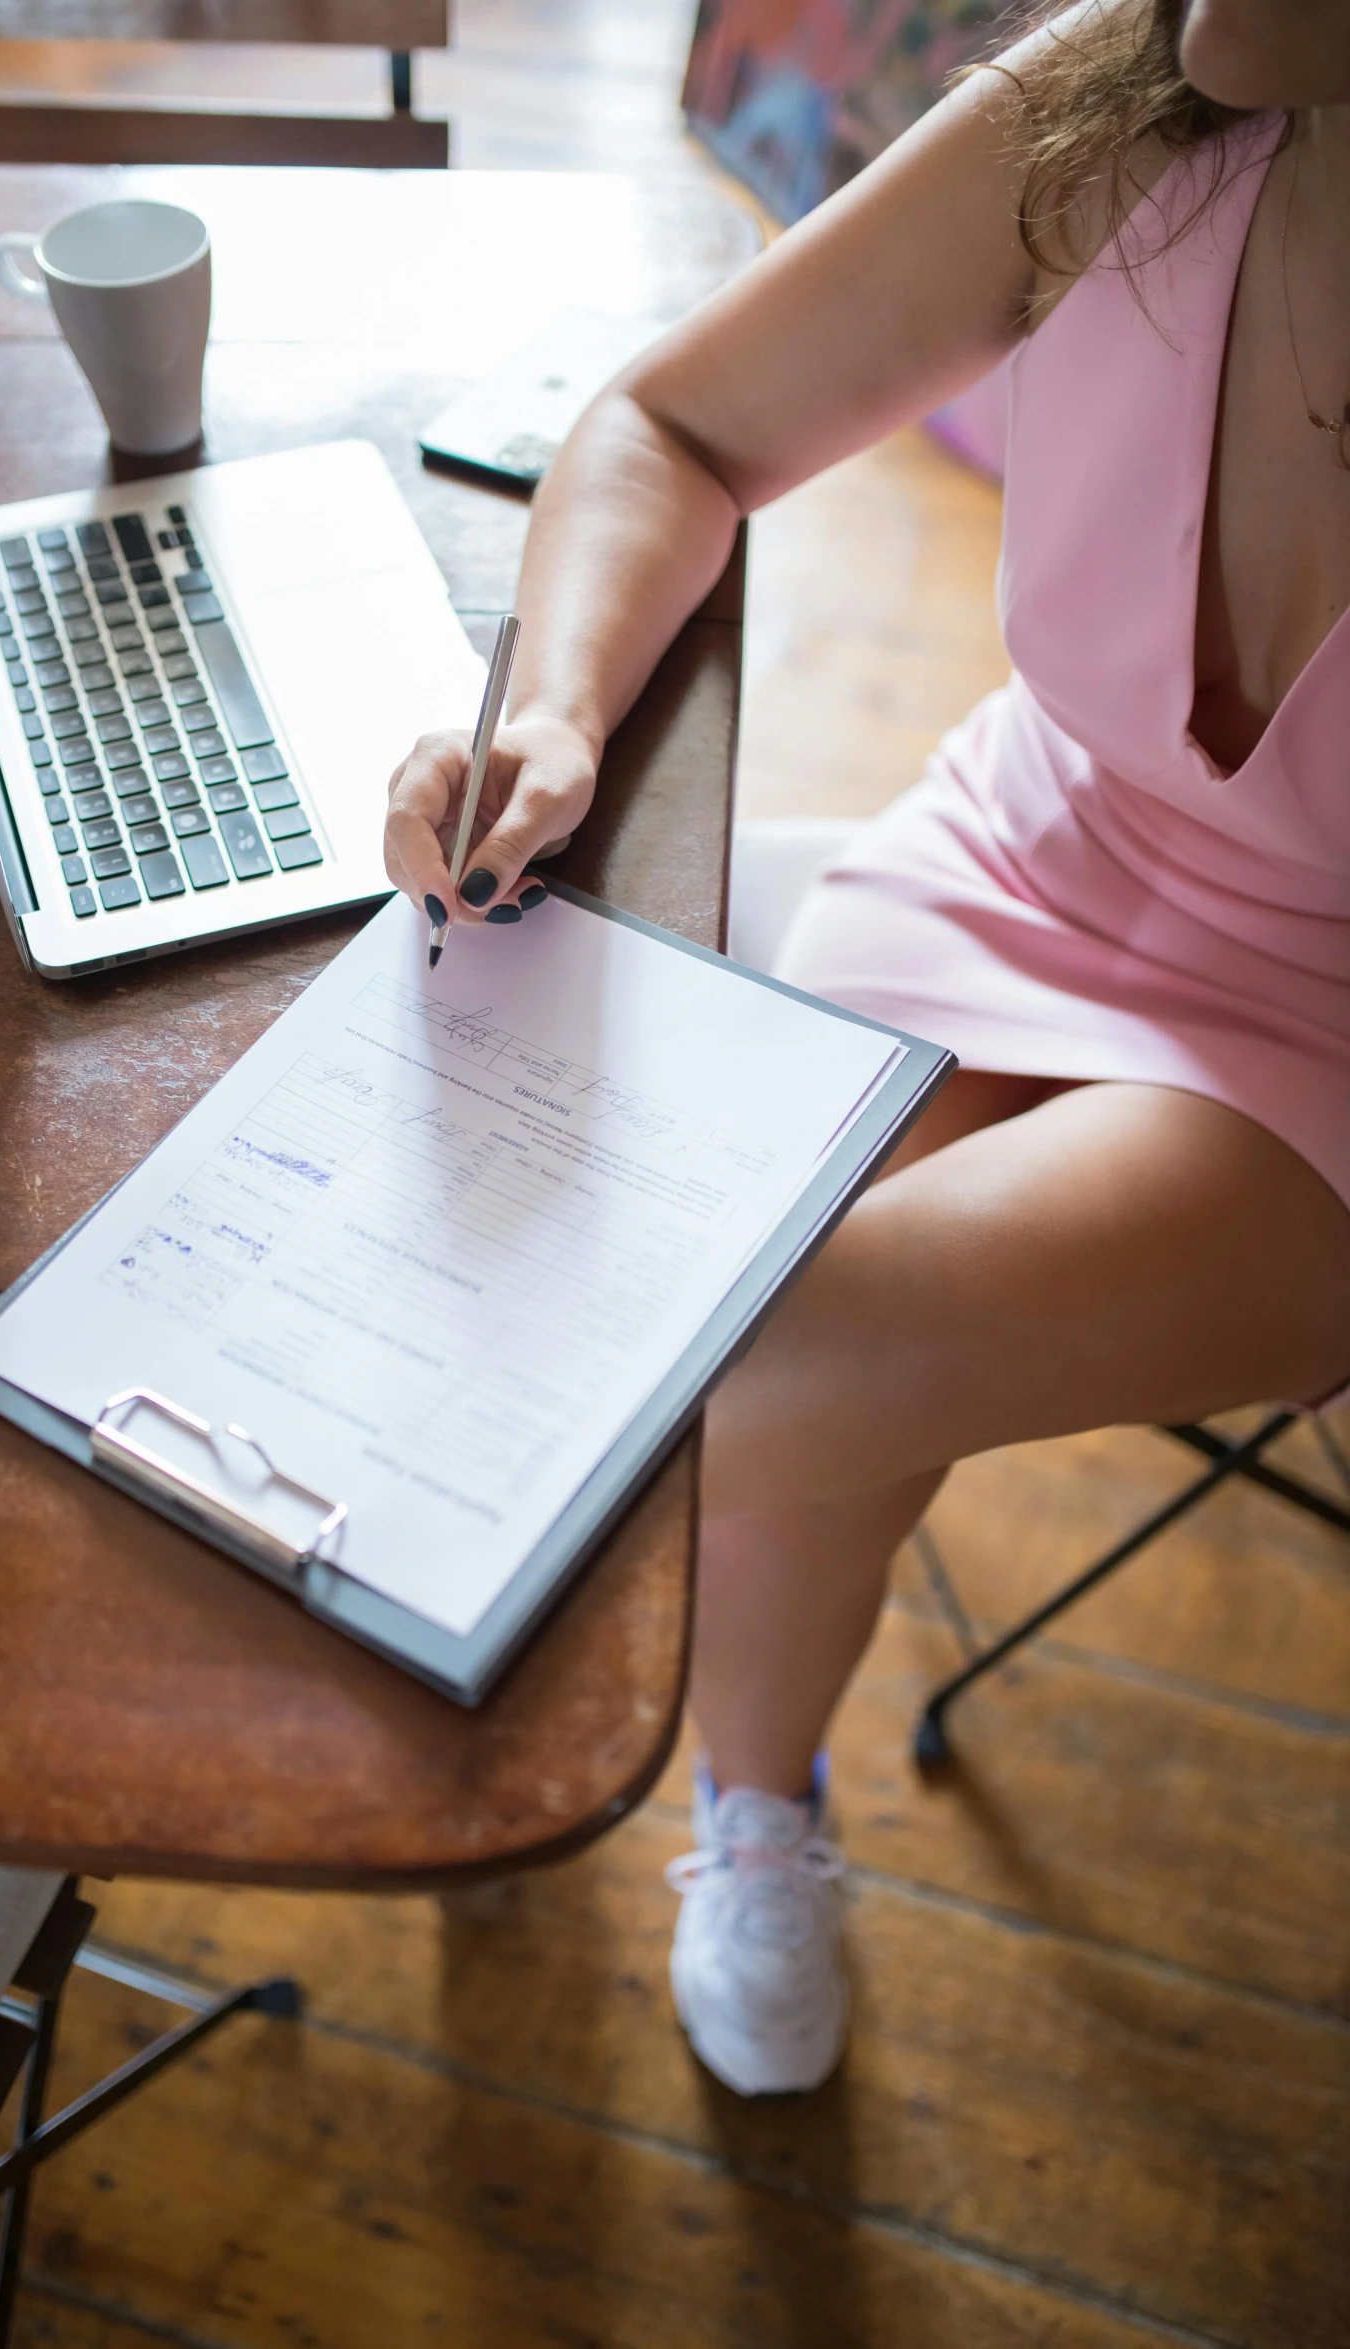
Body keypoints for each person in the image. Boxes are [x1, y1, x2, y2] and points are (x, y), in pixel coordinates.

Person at [383, 0, 1350, 2096]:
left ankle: (601, 1678)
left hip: (1322, 1041)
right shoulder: (1133, 100)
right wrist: (550, 707)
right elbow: (677, 427)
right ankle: (759, 1800)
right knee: (817, 1352)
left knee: (775, 1346)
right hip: (1021, 847)